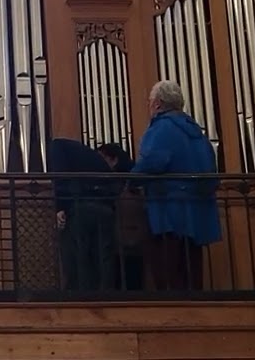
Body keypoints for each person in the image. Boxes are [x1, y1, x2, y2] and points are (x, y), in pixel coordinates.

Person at [131, 81, 221, 292]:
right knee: (192, 271)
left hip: (169, 212)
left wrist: (131, 179)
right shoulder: (198, 133)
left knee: (169, 272)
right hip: (198, 211)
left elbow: (153, 162)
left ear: (158, 104)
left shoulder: (162, 128)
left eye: (150, 102)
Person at [48, 138, 118, 292]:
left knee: (78, 255)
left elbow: (61, 176)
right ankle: (106, 296)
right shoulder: (86, 153)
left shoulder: (56, 147)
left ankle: (80, 297)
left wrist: (60, 207)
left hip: (81, 206)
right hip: (104, 206)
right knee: (102, 255)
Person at [99, 143, 146, 290]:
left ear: (114, 160)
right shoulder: (133, 180)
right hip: (135, 236)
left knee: (122, 274)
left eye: (102, 158)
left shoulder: (116, 182)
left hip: (122, 236)